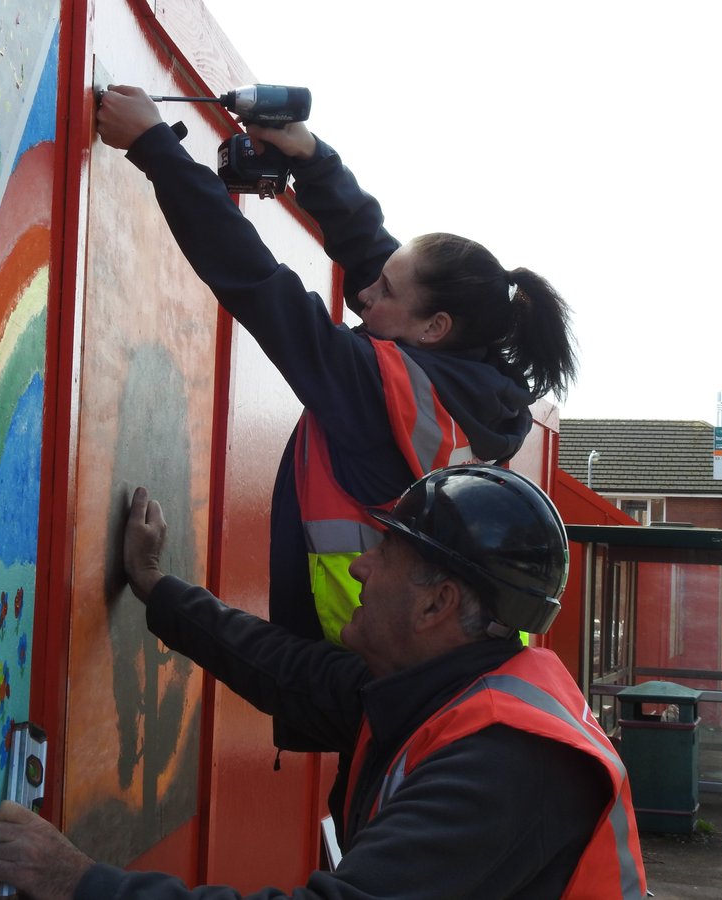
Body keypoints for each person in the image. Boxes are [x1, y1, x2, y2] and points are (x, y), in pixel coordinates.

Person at [0, 465, 648, 899]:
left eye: (384, 552)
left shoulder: (506, 765)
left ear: (435, 604)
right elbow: (286, 670)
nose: (359, 568)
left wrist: (78, 882)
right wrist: (156, 587)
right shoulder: (440, 688)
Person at [95, 87, 578, 683]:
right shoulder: (480, 382)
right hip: (457, 664)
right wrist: (310, 157)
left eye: (384, 293)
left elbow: (257, 282)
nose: (362, 294)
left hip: (377, 673)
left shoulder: (376, 389)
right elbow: (379, 256)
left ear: (434, 328)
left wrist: (154, 148)